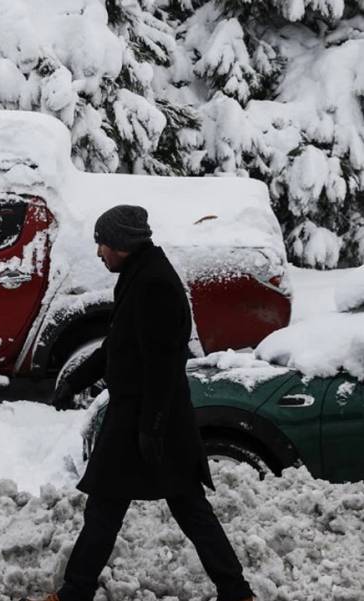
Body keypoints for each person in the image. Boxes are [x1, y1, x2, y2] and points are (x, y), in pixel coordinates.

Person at [32, 206, 254, 601]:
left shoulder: (155, 285)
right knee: (118, 507)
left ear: (122, 244)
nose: (99, 252)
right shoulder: (138, 277)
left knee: (179, 508)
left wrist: (151, 429)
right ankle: (235, 592)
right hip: (142, 417)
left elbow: (163, 366)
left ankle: (236, 591)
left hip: (152, 419)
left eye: (102, 243)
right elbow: (122, 342)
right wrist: (77, 379)